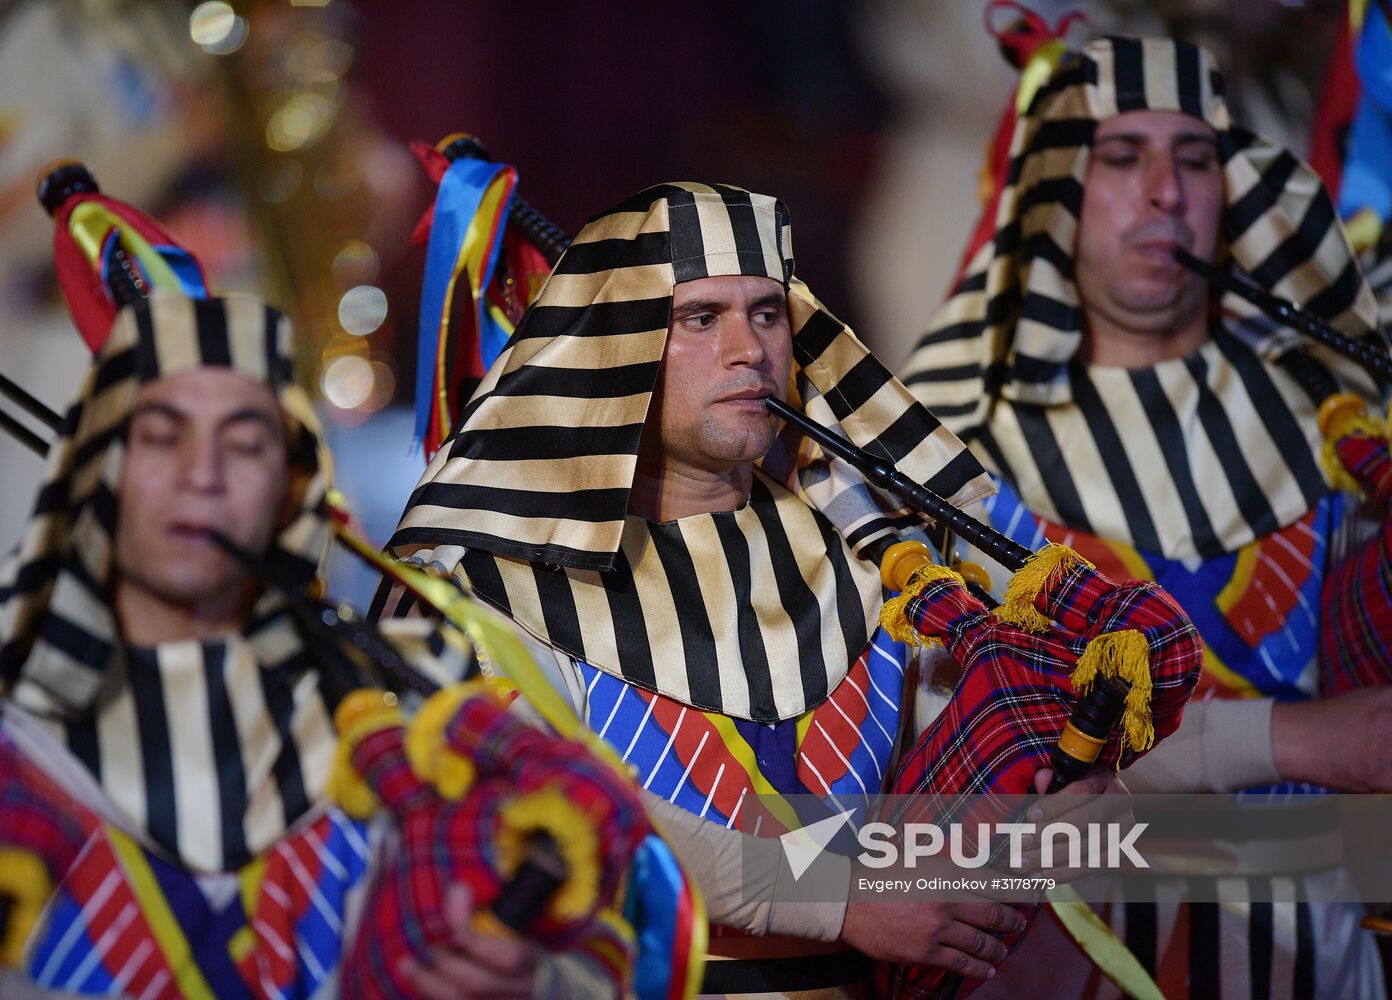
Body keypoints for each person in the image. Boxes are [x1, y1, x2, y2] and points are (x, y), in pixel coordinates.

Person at [376, 181, 1207, 998]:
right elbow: (547, 812)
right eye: (700, 317)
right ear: (611, 343)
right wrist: (842, 899)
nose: (751, 349)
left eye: (767, 313)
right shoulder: (479, 581)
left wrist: (1074, 814)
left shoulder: (875, 565)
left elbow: (987, 783)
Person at [899, 34, 1392, 998]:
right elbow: (958, 773)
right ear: (1054, 190)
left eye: (1197, 158)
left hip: (1326, 956)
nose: (1167, 191)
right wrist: (1299, 739)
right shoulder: (954, 451)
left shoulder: (1338, 428)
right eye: (1122, 158)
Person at [0, 289, 636, 999]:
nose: (201, 475)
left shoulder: (418, 732)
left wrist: (539, 984)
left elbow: (619, 944)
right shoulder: (20, 749)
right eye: (159, 436)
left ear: (290, 489)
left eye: (244, 444)